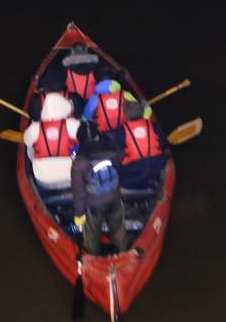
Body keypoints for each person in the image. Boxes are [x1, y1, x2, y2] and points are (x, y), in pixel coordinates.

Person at [71, 122, 130, 255]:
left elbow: (78, 192)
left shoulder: (79, 162)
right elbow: (118, 171)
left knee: (91, 237)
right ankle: (123, 254)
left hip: (94, 206)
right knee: (119, 231)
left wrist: (79, 214)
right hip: (115, 198)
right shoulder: (113, 151)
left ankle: (92, 258)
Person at [23, 92, 80, 189]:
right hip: (71, 178)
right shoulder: (74, 124)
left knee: (29, 147)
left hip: (42, 180)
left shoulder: (34, 128)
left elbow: (26, 141)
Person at [118, 97, 167, 190]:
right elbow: (162, 143)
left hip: (134, 171)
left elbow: (118, 151)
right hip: (156, 165)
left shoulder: (121, 131)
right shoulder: (154, 126)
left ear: (126, 116)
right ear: (141, 113)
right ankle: (153, 183)